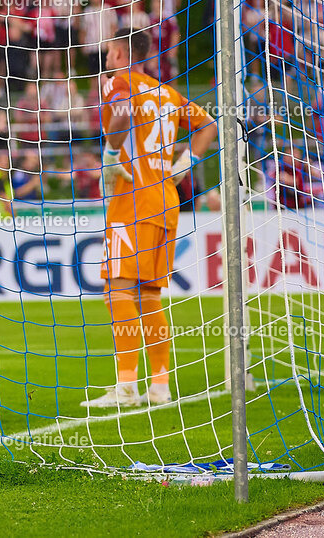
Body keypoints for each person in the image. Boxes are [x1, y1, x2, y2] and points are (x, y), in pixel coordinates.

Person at [84, 28, 216, 408]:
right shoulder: (168, 94)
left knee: (119, 289)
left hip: (133, 200)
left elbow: (123, 109)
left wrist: (111, 152)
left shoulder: (119, 81)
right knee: (148, 295)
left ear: (122, 54)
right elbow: (208, 125)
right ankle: (159, 386)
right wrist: (185, 162)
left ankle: (126, 387)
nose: (105, 58)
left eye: (109, 51)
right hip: (166, 201)